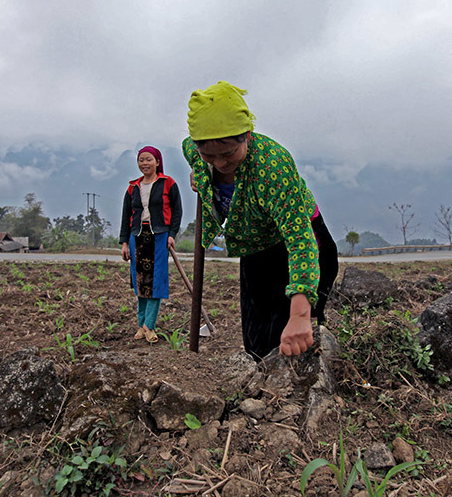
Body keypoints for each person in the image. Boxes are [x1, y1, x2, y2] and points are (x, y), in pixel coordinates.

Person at [182, 81, 339, 361]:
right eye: (209, 155)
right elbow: (193, 154)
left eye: (228, 153)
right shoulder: (194, 151)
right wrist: (199, 173)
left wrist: (300, 314)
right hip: (254, 247)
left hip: (297, 245)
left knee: (291, 336)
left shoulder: (272, 166)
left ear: (247, 136)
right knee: (256, 340)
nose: (220, 163)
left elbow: (300, 241)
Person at [119, 146, 183, 344]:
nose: (145, 163)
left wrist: (172, 235)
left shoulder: (168, 183)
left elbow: (177, 211)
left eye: (149, 159)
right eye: (141, 160)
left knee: (155, 282)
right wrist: (124, 243)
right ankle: (141, 325)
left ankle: (149, 325)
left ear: (157, 162)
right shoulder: (133, 187)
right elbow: (126, 216)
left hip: (159, 236)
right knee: (140, 281)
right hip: (137, 236)